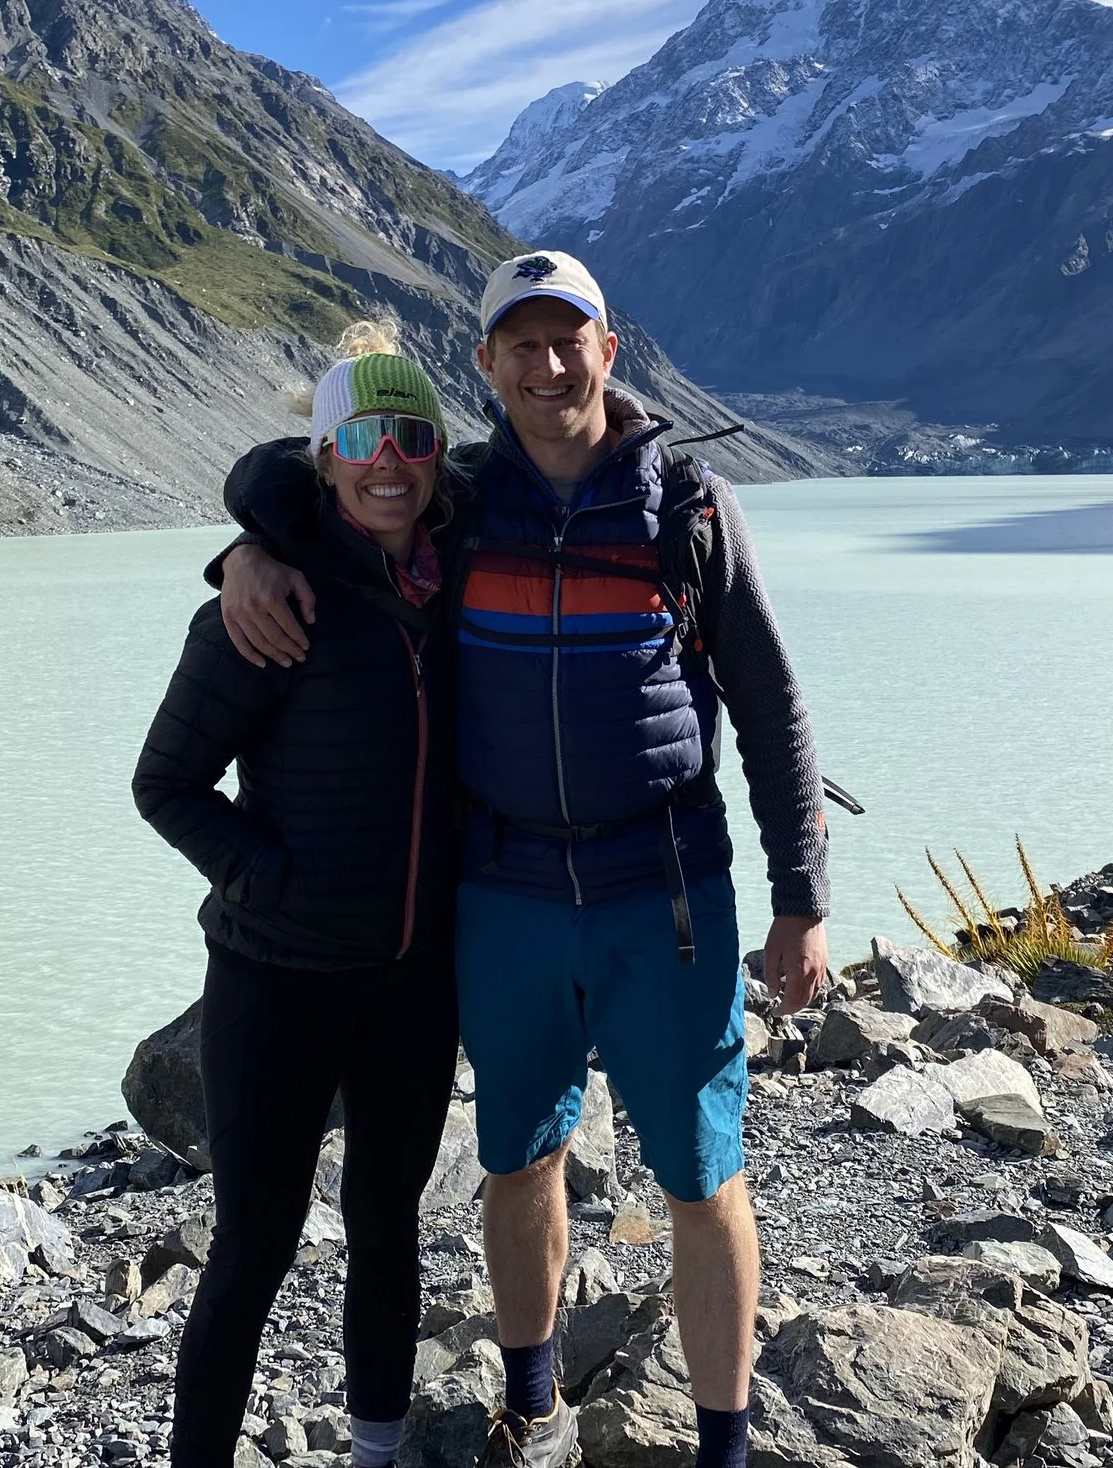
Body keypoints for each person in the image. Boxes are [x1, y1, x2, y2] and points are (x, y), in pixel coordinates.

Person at [214, 252, 831, 1468]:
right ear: (486, 367)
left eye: (571, 340)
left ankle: (724, 1445)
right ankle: (533, 1399)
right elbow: (309, 486)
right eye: (522, 346)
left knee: (704, 1177)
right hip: (501, 894)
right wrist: (243, 548)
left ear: (612, 349)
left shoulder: (689, 507)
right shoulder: (462, 503)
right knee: (518, 1155)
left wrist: (800, 899)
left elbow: (772, 705)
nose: (549, 366)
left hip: (663, 893)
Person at [131, 322, 463, 1468]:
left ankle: (375, 1453)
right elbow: (166, 783)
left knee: (387, 1231)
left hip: (418, 978)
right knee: (253, 1246)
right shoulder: (270, 604)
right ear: (323, 460)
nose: (387, 461)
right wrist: (271, 880)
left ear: (436, 457)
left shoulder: (459, 576)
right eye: (360, 439)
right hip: (275, 978)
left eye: (410, 438)